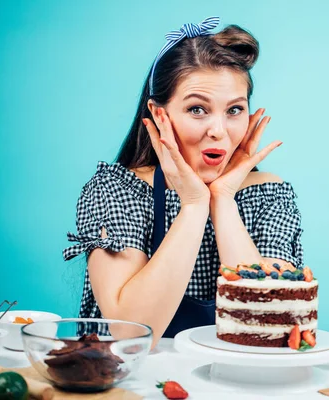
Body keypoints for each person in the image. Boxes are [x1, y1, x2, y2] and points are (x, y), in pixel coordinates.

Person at [63, 17, 304, 348]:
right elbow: (132, 334)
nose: (218, 130)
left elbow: (270, 327)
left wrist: (222, 201)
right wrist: (193, 206)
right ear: (159, 114)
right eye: (197, 109)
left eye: (234, 110)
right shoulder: (116, 190)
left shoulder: (267, 196)